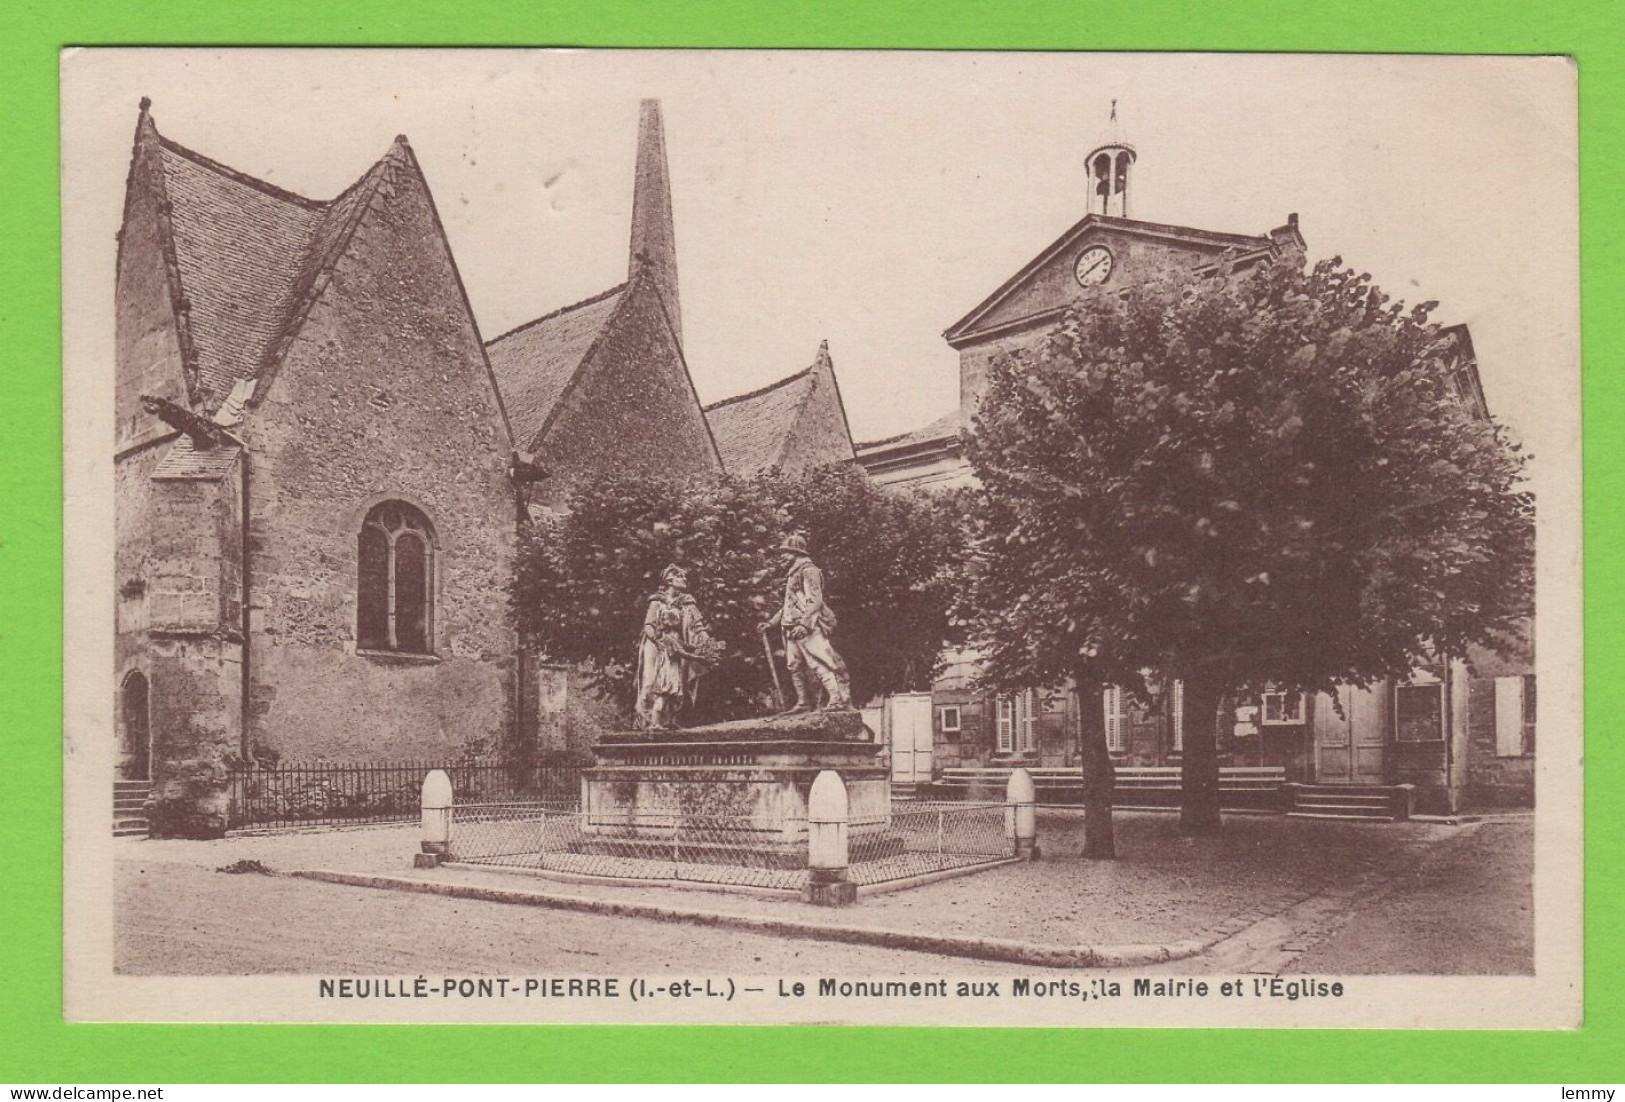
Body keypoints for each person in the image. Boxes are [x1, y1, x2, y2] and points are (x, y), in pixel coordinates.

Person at [758, 533, 852, 712]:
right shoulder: (792, 574)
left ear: (797, 552)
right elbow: (788, 605)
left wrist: (804, 625)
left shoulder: (809, 570)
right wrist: (771, 623)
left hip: (807, 627)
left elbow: (815, 600)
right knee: (794, 666)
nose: (782, 556)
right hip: (790, 628)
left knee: (818, 661)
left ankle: (837, 698)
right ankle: (803, 702)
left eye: (786, 552)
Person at [635, 564, 712, 728]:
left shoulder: (688, 602)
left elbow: (699, 626)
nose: (684, 580)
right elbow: (648, 625)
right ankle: (649, 722)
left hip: (678, 643)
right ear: (670, 580)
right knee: (651, 681)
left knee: (678, 681)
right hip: (655, 644)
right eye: (680, 577)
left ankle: (671, 721)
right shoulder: (656, 601)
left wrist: (708, 644)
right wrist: (658, 640)